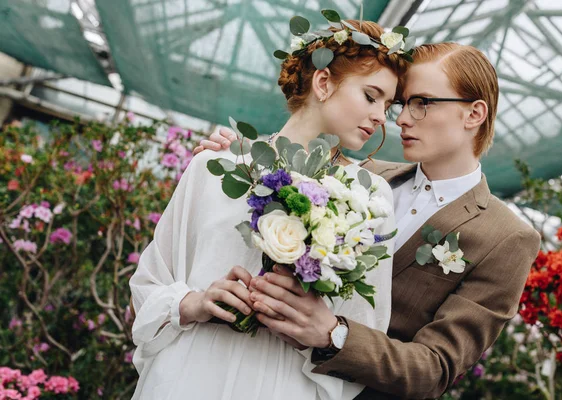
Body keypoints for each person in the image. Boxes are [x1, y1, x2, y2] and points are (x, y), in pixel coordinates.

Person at [194, 42, 541, 399]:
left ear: (474, 114)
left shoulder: (508, 238)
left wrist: (333, 334)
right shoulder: (357, 177)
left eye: (421, 103)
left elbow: (436, 367)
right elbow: (287, 154)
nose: (402, 119)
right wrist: (241, 153)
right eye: (401, 104)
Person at [129, 18, 407, 400]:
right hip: (190, 371)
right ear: (323, 83)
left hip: (285, 381)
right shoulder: (216, 164)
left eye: (388, 106)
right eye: (372, 96)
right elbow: (149, 282)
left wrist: (319, 326)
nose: (380, 117)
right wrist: (194, 301)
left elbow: (367, 322)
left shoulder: (371, 196)